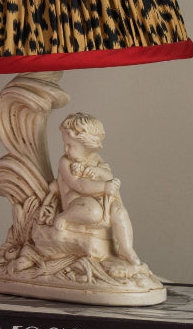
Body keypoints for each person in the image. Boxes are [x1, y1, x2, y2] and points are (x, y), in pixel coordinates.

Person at [52, 112, 141, 266]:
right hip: (77, 203)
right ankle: (64, 218)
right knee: (93, 212)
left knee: (120, 212)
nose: (65, 149)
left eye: (70, 145)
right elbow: (79, 185)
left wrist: (99, 173)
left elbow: (108, 174)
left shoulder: (95, 160)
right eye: (65, 144)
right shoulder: (65, 162)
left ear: (88, 146)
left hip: (100, 200)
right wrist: (105, 186)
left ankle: (126, 249)